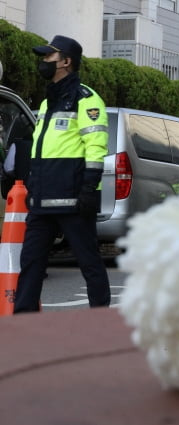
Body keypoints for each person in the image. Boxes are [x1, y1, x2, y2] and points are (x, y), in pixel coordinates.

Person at [13, 35, 110, 313]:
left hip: (73, 199)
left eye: (49, 57)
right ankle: (23, 320)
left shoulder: (86, 100)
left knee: (88, 261)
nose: (43, 62)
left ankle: (102, 318)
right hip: (43, 198)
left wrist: (88, 190)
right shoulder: (46, 103)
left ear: (66, 62)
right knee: (31, 261)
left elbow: (95, 148)